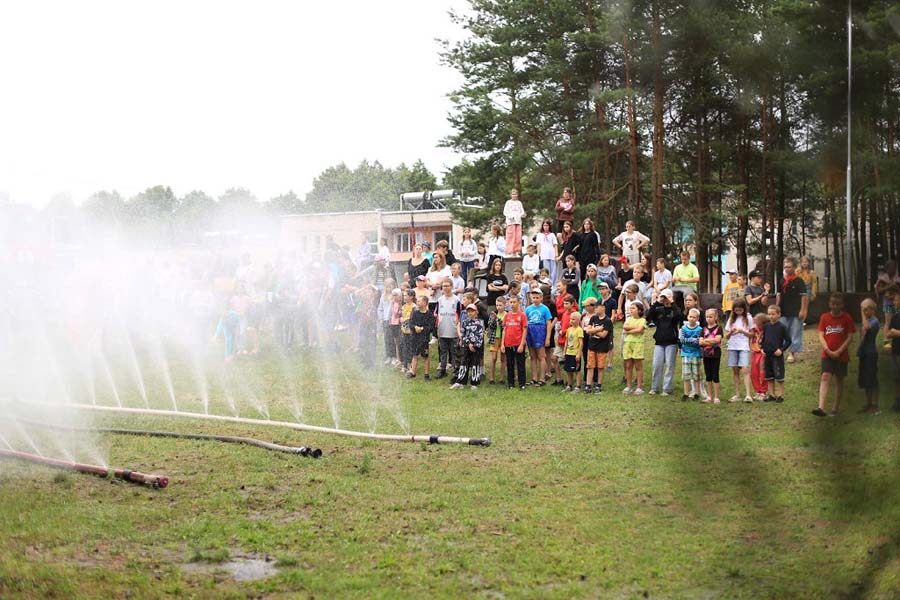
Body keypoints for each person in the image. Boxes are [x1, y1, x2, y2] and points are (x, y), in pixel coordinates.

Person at [811, 293, 856, 417]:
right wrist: (827, 349)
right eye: (833, 304)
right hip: (827, 354)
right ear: (829, 304)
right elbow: (821, 334)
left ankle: (835, 407)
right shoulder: (825, 317)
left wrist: (839, 351)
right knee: (825, 376)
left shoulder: (846, 318)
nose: (835, 307)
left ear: (842, 305)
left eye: (838, 304)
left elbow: (850, 336)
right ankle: (821, 407)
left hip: (841, 355)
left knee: (839, 379)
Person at [646, 288, 682, 396]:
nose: (664, 299)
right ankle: (655, 387)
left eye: (666, 297)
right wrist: (657, 302)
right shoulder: (658, 309)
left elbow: (679, 317)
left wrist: (672, 303)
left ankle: (667, 388)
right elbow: (648, 317)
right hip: (659, 341)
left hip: (671, 341)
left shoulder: (675, 309)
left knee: (669, 366)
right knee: (656, 365)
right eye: (663, 297)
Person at [776, 256, 808, 363]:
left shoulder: (799, 281)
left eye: (789, 267)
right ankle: (780, 351)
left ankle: (792, 353)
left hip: (796, 311)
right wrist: (777, 308)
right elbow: (779, 295)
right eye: (785, 267)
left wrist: (803, 310)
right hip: (783, 310)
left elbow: (804, 296)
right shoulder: (782, 281)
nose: (786, 269)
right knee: (782, 331)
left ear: (794, 267)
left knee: (795, 332)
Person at [724, 299, 754, 403]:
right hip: (732, 346)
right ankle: (737, 394)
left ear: (744, 309)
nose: (738, 312)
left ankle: (748, 394)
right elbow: (726, 336)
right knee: (735, 371)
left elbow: (752, 334)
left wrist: (742, 331)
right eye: (736, 310)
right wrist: (731, 332)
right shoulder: (731, 319)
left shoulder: (748, 318)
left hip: (744, 346)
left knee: (745, 369)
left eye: (740, 310)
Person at [451, 304, 485, 390]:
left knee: (475, 364)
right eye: (468, 311)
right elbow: (463, 334)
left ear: (476, 312)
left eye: (472, 311)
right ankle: (460, 382)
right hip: (466, 346)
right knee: (464, 364)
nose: (470, 313)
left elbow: (480, 335)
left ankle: (474, 383)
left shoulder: (480, 322)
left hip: (476, 347)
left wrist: (475, 345)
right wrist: (468, 343)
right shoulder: (465, 322)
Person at [762, 305, 791, 403]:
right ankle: (771, 395)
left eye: (773, 314)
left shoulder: (782, 327)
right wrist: (762, 348)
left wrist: (781, 350)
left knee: (779, 376)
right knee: (769, 376)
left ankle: (780, 395)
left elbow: (788, 341)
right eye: (769, 314)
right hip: (767, 355)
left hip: (777, 356)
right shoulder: (766, 326)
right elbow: (764, 339)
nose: (771, 316)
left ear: (779, 314)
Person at [857, 298, 881, 414]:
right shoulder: (867, 320)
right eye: (862, 310)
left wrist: (862, 314)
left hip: (871, 353)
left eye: (865, 310)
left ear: (872, 310)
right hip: (864, 353)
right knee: (866, 380)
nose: (863, 312)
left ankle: (876, 405)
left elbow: (866, 328)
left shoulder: (874, 321)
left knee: (872, 379)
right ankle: (869, 403)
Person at [525, 289, 552, 386]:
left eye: (537, 297)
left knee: (541, 355)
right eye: (534, 298)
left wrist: (548, 337)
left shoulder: (545, 309)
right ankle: (534, 377)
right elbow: (525, 323)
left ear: (541, 298)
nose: (535, 299)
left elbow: (548, 324)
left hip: (540, 330)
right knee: (532, 356)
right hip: (530, 331)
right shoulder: (528, 309)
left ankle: (542, 378)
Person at [585, 301, 613, 394]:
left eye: (597, 307)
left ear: (603, 308)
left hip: (602, 347)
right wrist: (598, 329)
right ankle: (588, 385)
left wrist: (594, 330)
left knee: (600, 367)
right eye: (595, 307)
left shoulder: (608, 321)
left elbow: (604, 335)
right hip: (592, 346)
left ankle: (598, 385)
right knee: (590, 366)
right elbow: (587, 330)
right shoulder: (593, 318)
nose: (595, 309)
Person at [436, 280, 461, 379]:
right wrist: (437, 328)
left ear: (451, 286)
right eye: (443, 286)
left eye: (447, 286)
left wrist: (458, 328)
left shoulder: (456, 300)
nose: (445, 288)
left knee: (454, 351)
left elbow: (459, 314)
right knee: (443, 351)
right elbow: (437, 314)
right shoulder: (440, 300)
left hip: (453, 329)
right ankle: (442, 370)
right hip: (442, 329)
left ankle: (456, 371)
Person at [502, 294, 528, 389]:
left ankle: (522, 384)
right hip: (508, 343)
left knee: (520, 364)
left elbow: (525, 330)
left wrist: (522, 344)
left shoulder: (522, 315)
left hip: (518, 343)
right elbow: (504, 330)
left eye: (514, 302)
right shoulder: (507, 315)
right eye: (511, 302)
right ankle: (511, 383)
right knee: (510, 364)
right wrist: (502, 344)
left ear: (519, 303)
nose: (512, 304)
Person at [407, 294, 436, 380]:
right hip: (415, 338)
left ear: (425, 303)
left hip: (424, 339)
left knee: (425, 356)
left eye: (419, 301)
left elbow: (431, 327)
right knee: (414, 355)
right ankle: (413, 372)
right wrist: (415, 327)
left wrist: (423, 329)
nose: (417, 302)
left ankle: (426, 374)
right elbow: (410, 323)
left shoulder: (429, 314)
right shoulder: (415, 313)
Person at [874, 260, 900, 349]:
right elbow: (879, 290)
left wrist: (895, 287)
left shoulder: (897, 278)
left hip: (897, 303)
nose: (892, 269)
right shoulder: (883, 279)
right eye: (890, 267)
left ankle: (896, 337)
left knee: (897, 321)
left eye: (894, 267)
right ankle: (886, 340)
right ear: (887, 268)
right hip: (888, 303)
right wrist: (889, 287)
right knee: (888, 322)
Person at [622, 302, 647, 395]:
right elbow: (625, 327)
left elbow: (640, 330)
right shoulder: (628, 319)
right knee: (628, 366)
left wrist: (629, 331)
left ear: (639, 310)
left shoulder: (642, 320)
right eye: (630, 308)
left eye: (633, 308)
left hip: (638, 344)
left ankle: (639, 387)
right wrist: (634, 329)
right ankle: (629, 386)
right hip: (628, 343)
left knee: (638, 366)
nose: (631, 310)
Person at [699, 308, 723, 404]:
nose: (708, 319)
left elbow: (717, 340)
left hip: (716, 355)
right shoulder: (703, 329)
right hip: (706, 355)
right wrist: (710, 341)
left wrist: (706, 341)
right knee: (708, 376)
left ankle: (716, 397)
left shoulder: (719, 328)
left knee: (715, 375)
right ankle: (709, 396)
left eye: (711, 316)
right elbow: (700, 342)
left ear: (715, 317)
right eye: (707, 317)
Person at [680, 308, 704, 401]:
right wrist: (693, 340)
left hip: (696, 354)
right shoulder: (683, 328)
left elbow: (699, 341)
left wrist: (691, 341)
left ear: (697, 318)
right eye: (690, 317)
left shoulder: (700, 329)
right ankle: (686, 393)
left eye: (694, 317)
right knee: (686, 375)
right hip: (685, 354)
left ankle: (696, 393)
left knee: (696, 375)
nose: (691, 319)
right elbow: (682, 340)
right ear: (687, 317)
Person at [553, 294, 576, 386]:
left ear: (572, 304)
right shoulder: (564, 314)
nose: (565, 306)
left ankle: (569, 380)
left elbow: (574, 327)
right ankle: (559, 378)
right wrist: (560, 329)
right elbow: (562, 324)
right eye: (564, 304)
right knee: (554, 358)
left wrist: (564, 331)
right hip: (561, 340)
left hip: (569, 341)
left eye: (567, 304)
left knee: (568, 361)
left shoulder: (574, 314)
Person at [884, 285, 900, 412]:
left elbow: (895, 332)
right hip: (896, 351)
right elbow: (889, 332)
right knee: (896, 377)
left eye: (896, 300)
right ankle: (897, 401)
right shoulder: (895, 317)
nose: (894, 302)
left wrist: (897, 333)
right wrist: (890, 334)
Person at [486, 296, 507, 385]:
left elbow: (504, 326)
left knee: (503, 358)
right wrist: (494, 319)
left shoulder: (507, 315)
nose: (498, 307)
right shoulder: (493, 314)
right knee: (493, 358)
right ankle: (491, 377)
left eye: (500, 305)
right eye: (497, 305)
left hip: (503, 338)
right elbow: (491, 326)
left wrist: (498, 319)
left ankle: (502, 378)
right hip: (494, 337)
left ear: (504, 305)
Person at [563, 309, 584, 392]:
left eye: (573, 319)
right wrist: (564, 351)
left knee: (576, 370)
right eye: (570, 319)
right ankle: (569, 385)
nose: (571, 321)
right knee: (568, 370)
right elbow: (566, 341)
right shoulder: (569, 329)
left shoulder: (579, 330)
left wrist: (578, 354)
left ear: (578, 320)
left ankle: (578, 386)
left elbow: (581, 343)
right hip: (568, 352)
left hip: (575, 353)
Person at [750, 313, 769, 400]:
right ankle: (757, 390)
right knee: (754, 373)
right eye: (755, 322)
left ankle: (763, 391)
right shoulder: (754, 329)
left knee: (762, 372)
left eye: (758, 323)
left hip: (762, 353)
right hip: (755, 352)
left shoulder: (767, 331)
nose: (756, 325)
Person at [503, 188, 526, 257]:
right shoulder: (508, 202)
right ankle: (510, 251)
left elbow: (522, 211)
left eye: (515, 194)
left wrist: (522, 215)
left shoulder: (519, 203)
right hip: (510, 222)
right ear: (511, 195)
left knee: (517, 237)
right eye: (513, 194)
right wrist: (510, 216)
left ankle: (516, 252)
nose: (514, 195)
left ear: (517, 195)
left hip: (518, 222)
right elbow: (505, 212)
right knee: (510, 236)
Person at [399, 289, 416, 374]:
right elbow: (401, 315)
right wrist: (401, 318)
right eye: (404, 295)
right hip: (404, 330)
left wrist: (406, 319)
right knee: (404, 347)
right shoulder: (403, 306)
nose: (404, 297)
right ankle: (404, 364)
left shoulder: (414, 307)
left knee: (410, 348)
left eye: (406, 295)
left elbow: (414, 318)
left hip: (411, 331)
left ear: (411, 297)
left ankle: (410, 365)